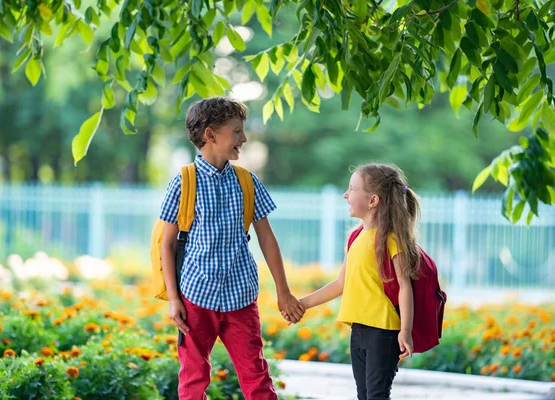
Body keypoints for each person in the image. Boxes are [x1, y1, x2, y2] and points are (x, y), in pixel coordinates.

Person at [159, 97, 305, 400]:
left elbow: (267, 239)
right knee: (193, 378)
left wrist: (283, 291)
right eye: (237, 131)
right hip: (196, 298)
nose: (244, 138)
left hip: (241, 297)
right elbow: (167, 243)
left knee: (257, 377)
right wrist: (174, 299)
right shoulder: (184, 182)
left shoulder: (247, 182)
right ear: (210, 135)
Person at [289, 163, 421, 400]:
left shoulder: (391, 239)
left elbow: (404, 286)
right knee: (364, 395)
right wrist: (302, 304)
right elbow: (340, 284)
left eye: (352, 189)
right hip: (358, 330)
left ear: (373, 201)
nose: (345, 194)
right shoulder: (355, 237)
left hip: (383, 330)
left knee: (377, 395)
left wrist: (406, 330)